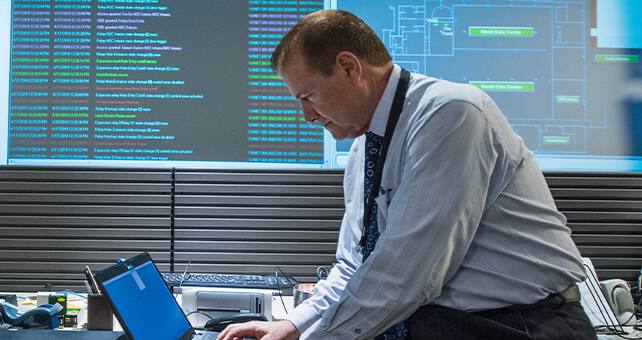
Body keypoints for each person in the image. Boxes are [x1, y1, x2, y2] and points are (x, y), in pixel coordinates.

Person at [219, 9, 596, 340]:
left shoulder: (451, 113)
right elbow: (356, 265)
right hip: (447, 323)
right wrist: (295, 325)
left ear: (350, 67)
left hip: (521, 325)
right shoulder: (364, 149)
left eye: (308, 97)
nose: (307, 116)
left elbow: (407, 276)